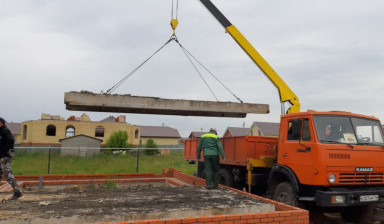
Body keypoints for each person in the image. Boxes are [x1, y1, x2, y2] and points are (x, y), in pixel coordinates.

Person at [0, 117, 22, 200]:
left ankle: (17, 192)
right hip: (0, 156)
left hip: (5, 157)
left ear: (1, 123)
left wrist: (5, 151)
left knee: (7, 174)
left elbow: (11, 141)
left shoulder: (5, 131)